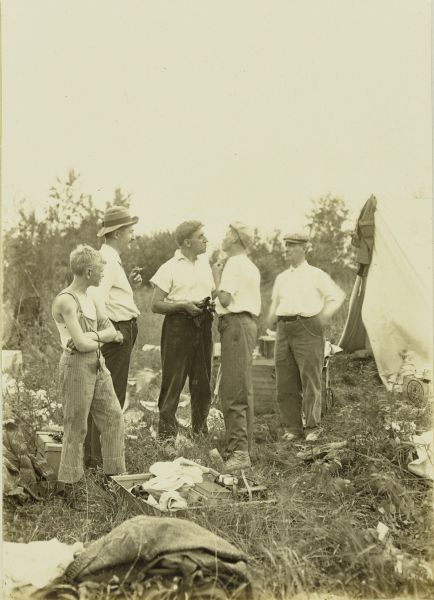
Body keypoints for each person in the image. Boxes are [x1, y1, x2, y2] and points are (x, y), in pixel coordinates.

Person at [51, 244, 126, 491]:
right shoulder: (66, 301)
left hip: (97, 362)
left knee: (114, 415)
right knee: (76, 425)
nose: (104, 274)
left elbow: (109, 329)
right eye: (101, 270)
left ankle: (115, 479)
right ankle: (69, 486)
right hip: (75, 366)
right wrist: (101, 336)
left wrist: (94, 336)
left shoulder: (92, 296)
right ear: (89, 272)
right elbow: (81, 345)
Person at [267, 232, 345, 442]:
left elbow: (337, 297)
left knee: (310, 379)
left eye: (292, 246)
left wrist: (323, 317)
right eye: (286, 246)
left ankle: (312, 427)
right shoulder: (282, 278)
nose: (287, 250)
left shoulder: (316, 274)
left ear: (304, 249)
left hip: (308, 327)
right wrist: (269, 323)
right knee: (285, 381)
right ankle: (292, 427)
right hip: (284, 329)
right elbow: (275, 306)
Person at [150, 221, 215, 439]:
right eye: (200, 236)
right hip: (178, 327)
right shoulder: (169, 267)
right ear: (187, 242)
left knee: (203, 381)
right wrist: (183, 305)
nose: (205, 240)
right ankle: (167, 435)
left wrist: (209, 306)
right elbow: (155, 304)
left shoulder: (205, 264)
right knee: (173, 382)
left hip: (204, 325)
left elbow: (210, 293)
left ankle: (200, 431)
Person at [212, 222, 261, 473]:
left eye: (227, 233)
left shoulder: (233, 264)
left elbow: (225, 299)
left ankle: (239, 453)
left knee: (232, 389)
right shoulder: (248, 265)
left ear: (235, 239)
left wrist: (217, 276)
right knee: (243, 387)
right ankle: (243, 447)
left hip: (236, 325)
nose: (223, 237)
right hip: (245, 324)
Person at [89, 205, 142, 407]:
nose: (133, 237)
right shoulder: (108, 261)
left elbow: (109, 296)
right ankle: (104, 440)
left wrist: (128, 283)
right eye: (130, 232)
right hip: (117, 332)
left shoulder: (109, 258)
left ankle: (96, 440)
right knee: (111, 396)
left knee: (106, 392)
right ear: (118, 233)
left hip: (120, 330)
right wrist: (110, 331)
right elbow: (96, 298)